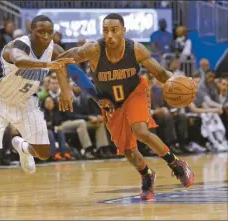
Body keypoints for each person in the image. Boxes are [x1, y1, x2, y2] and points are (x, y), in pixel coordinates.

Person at [57, 13, 194, 200]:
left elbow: (160, 73)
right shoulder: (94, 50)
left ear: (123, 31)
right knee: (128, 150)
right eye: (105, 31)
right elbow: (71, 56)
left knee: (140, 131)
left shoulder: (135, 49)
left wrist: (177, 80)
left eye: (114, 30)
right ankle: (146, 175)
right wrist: (52, 61)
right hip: (110, 102)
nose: (110, 35)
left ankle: (176, 164)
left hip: (134, 93)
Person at [0, 15, 77, 206]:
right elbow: (20, 60)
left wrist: (66, 90)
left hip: (25, 102)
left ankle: (23, 147)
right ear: (31, 31)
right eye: (41, 31)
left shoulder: (54, 50)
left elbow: (62, 66)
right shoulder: (16, 47)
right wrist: (46, 65)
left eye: (49, 32)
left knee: (44, 153)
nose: (45, 36)